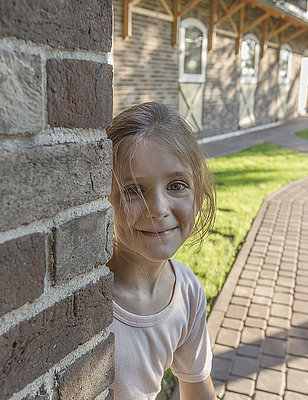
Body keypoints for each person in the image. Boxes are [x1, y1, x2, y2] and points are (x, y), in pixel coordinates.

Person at [107, 102, 217, 400]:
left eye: (177, 185)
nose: (157, 209)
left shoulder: (188, 293)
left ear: (198, 193)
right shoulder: (83, 294)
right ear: (106, 198)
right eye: (133, 190)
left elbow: (197, 388)